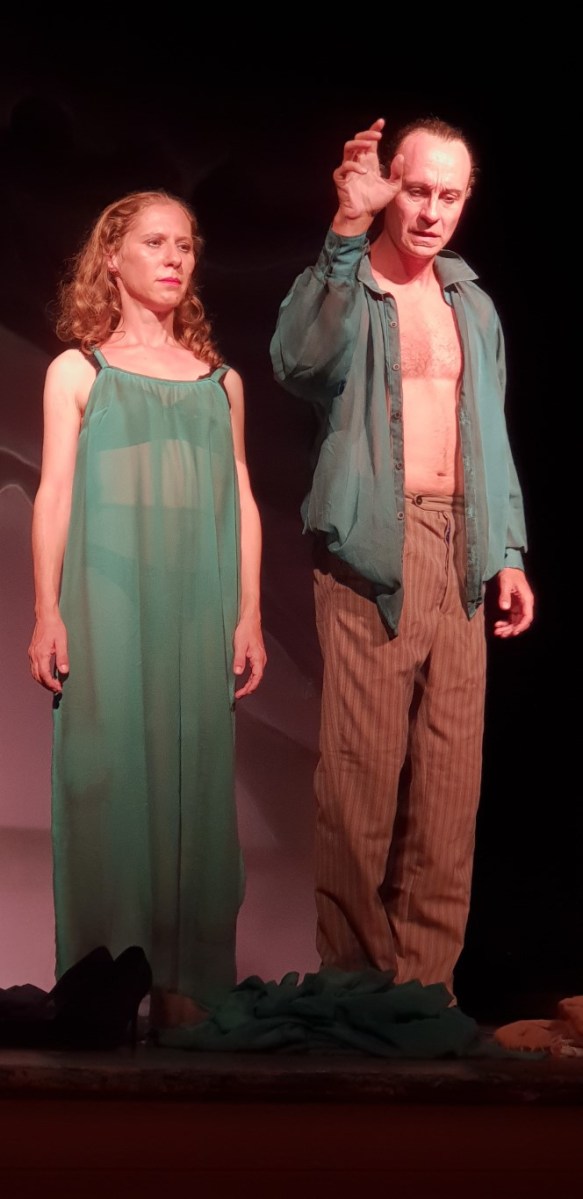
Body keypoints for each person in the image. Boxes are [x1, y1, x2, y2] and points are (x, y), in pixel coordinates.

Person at [270, 115, 534, 998]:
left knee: (450, 779)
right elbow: (297, 363)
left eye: (448, 196)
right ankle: (355, 983)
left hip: (462, 544)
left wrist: (507, 550)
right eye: (415, 190)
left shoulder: (471, 304)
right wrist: (346, 227)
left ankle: (425, 989)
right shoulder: (348, 283)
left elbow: (490, 432)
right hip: (374, 545)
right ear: (389, 185)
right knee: (361, 772)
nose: (429, 212)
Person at [28, 189, 267, 1030]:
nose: (174, 259)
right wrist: (46, 608)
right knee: (106, 778)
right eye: (156, 243)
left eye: (185, 245)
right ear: (112, 256)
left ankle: (186, 990)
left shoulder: (221, 383)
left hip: (197, 601)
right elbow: (54, 494)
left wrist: (249, 612)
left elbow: (241, 495)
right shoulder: (78, 371)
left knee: (193, 783)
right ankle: (102, 986)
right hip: (106, 599)